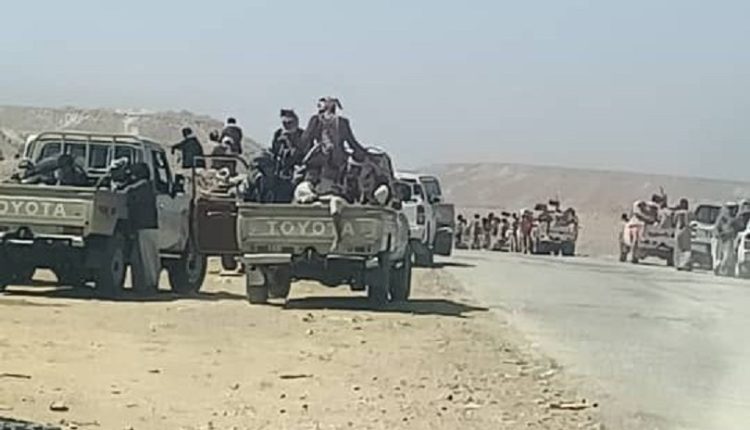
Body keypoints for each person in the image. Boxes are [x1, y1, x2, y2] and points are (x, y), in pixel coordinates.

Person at [299, 97, 367, 188]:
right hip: (333, 164)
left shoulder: (318, 120)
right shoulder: (339, 122)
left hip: (330, 165)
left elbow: (304, 141)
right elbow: (353, 144)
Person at [123, 163, 160, 294]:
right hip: (148, 227)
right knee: (147, 258)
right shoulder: (149, 187)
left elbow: (129, 196)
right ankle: (146, 285)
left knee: (146, 259)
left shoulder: (140, 188)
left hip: (144, 227)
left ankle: (150, 285)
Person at [673, 198, 692, 271]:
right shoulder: (689, 213)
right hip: (686, 231)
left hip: (678, 231)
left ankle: (678, 264)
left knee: (678, 248)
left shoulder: (677, 213)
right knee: (687, 248)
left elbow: (674, 222)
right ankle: (685, 264)